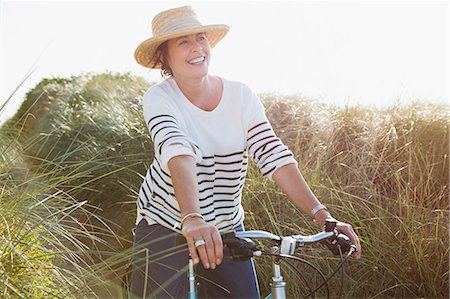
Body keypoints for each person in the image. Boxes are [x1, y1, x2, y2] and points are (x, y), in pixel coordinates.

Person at [130, 5, 361, 298]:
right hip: (167, 222)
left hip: (226, 224)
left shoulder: (240, 95)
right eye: (183, 42)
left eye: (200, 38)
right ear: (165, 56)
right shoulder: (160, 98)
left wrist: (324, 217)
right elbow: (177, 151)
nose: (197, 48)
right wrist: (192, 218)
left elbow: (272, 153)